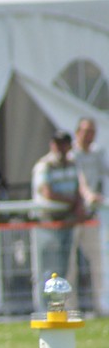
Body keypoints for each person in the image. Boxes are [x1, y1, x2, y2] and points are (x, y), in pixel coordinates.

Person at [32, 130, 86, 304]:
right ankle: (44, 309)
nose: (59, 147)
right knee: (46, 270)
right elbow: (47, 192)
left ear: (69, 145)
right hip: (48, 223)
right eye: (56, 142)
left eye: (63, 143)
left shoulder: (73, 164)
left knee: (62, 269)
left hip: (67, 223)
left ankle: (58, 307)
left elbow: (79, 188)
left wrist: (78, 204)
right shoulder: (44, 165)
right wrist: (72, 202)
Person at [73, 118, 109, 313]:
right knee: (70, 266)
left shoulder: (97, 153)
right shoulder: (72, 155)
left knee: (98, 262)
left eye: (92, 131)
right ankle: (69, 309)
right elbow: (80, 181)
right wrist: (88, 196)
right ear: (77, 132)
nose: (89, 136)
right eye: (86, 131)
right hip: (72, 215)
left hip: (91, 215)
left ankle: (101, 306)